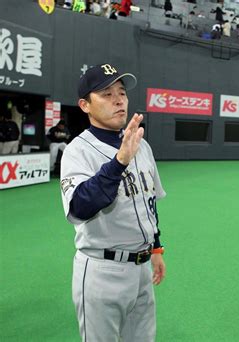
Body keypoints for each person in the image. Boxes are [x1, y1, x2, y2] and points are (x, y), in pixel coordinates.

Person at [60, 63, 166, 341]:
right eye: (106, 94)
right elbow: (79, 206)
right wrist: (119, 162)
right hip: (101, 271)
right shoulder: (77, 151)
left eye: (121, 92)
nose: (119, 99)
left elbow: (149, 203)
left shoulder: (141, 144)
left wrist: (156, 249)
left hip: (141, 270)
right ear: (85, 105)